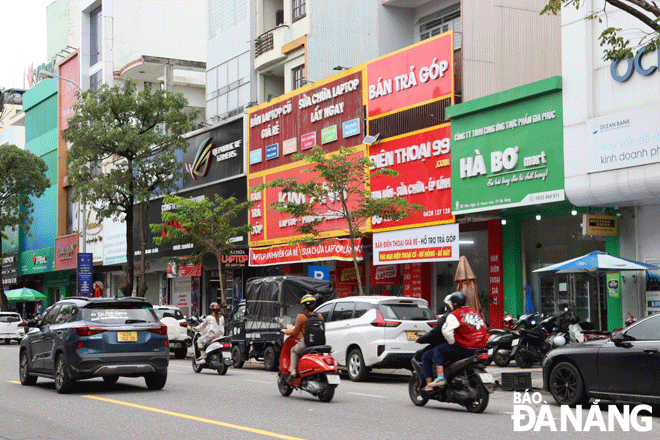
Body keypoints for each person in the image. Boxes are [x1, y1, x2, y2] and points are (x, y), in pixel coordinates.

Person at [428, 291, 489, 389]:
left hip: (465, 348)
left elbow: (446, 332)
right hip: (480, 347)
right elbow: (484, 327)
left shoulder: (454, 314)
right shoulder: (474, 312)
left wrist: (452, 343)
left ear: (454, 304)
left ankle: (440, 377)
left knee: (438, 349)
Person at [416, 296, 452, 392]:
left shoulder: (449, 316)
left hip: (453, 346)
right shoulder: (468, 314)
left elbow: (435, 333)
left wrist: (421, 339)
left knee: (427, 355)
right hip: (469, 346)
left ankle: (430, 384)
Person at [282, 294, 321, 381]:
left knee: (293, 350)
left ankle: (293, 371)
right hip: (319, 344)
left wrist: (285, 331)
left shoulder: (302, 316)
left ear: (305, 305)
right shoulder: (319, 315)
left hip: (305, 344)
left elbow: (294, 331)